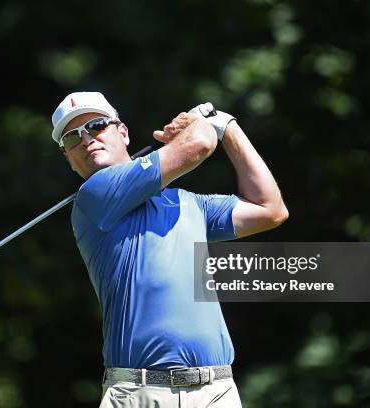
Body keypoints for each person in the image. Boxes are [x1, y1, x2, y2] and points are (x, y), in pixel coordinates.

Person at [51, 92, 288, 408]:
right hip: (140, 393)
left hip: (216, 391)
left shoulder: (188, 203)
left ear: (122, 132)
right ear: (68, 157)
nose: (86, 140)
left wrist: (228, 127)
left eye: (95, 125)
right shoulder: (94, 196)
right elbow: (198, 146)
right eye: (71, 138)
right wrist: (199, 124)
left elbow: (270, 209)